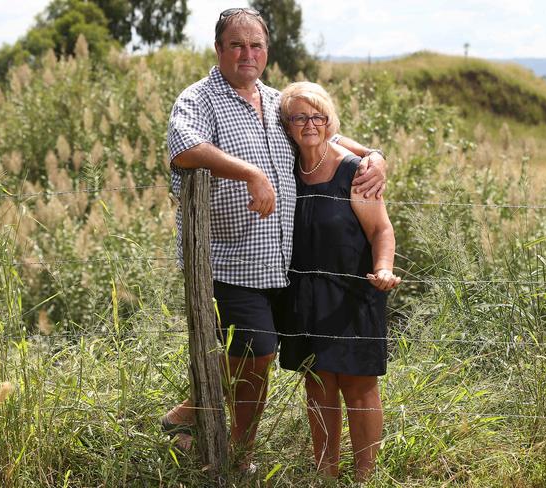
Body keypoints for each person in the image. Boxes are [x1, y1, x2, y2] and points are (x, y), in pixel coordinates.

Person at [164, 7, 387, 470]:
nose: (248, 53)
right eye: (237, 45)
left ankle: (209, 430)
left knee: (266, 360)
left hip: (283, 268)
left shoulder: (277, 101)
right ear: (219, 49)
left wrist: (376, 157)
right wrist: (251, 173)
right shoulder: (200, 98)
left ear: (267, 51)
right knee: (258, 352)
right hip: (230, 260)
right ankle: (220, 439)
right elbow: (184, 147)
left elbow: (325, 133)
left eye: (256, 45)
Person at [278, 81, 401, 481]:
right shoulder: (285, 167)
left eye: (318, 116)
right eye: (299, 117)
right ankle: (325, 474)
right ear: (286, 124)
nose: (309, 124)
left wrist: (383, 268)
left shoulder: (355, 170)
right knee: (318, 383)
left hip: (353, 292)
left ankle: (365, 476)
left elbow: (382, 230)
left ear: (330, 122)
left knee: (359, 385)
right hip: (304, 296)